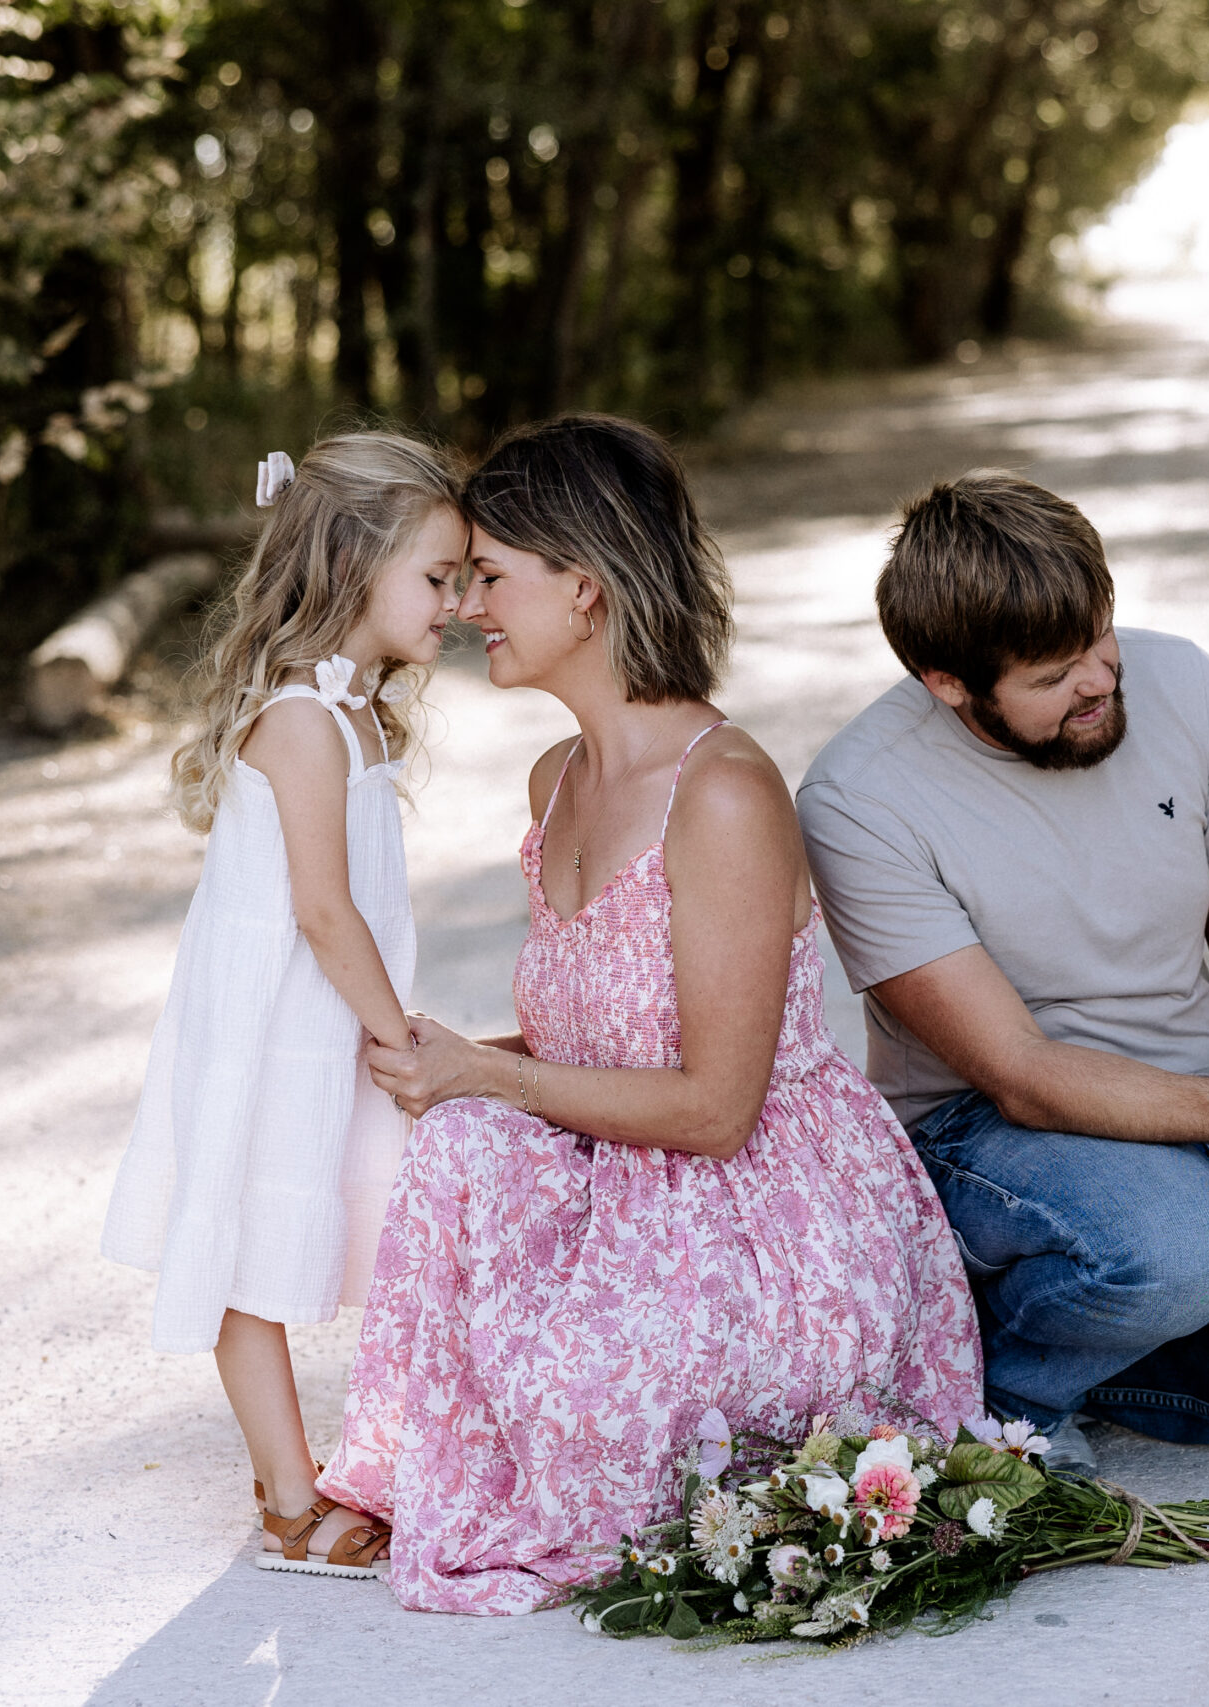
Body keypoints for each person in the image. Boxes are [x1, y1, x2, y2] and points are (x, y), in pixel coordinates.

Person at [335, 415, 981, 1615]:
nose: (471, 603)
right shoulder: (557, 780)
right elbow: (588, 1046)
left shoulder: (723, 793)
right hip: (617, 1177)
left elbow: (716, 1109)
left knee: (579, 1377)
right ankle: (426, 1460)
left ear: (582, 588)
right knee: (454, 1139)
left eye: (491, 574)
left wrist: (488, 1076)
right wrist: (455, 1062)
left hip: (762, 1219)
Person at [794, 471, 1209, 1480]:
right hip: (993, 1136)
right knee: (1184, 1248)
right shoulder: (859, 798)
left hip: (1201, 1124)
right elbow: (1018, 1070)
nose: (1098, 683)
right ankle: (1003, 1394)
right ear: (947, 685)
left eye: (1099, 640)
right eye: (1050, 676)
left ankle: (1114, 1340)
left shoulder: (1185, 686)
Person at [100, 433, 470, 1577]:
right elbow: (321, 910)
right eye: (437, 577)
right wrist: (399, 1037)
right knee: (242, 1232)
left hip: (320, 1024)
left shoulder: (353, 710)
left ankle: (384, 1464)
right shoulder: (304, 720)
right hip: (273, 1029)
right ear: (353, 563)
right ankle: (287, 1497)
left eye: (463, 579)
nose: (456, 603)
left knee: (361, 1219)